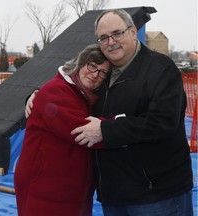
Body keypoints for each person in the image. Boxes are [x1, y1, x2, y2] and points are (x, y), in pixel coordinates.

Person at [26, 8, 194, 216]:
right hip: (113, 195)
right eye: (103, 37)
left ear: (133, 31)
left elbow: (162, 122)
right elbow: (71, 98)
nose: (111, 42)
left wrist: (106, 130)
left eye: (117, 33)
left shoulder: (160, 69)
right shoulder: (100, 77)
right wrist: (36, 96)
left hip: (156, 194)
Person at [14, 44, 110, 216]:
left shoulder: (84, 96)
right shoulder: (56, 90)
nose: (95, 74)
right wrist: (121, 125)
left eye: (102, 72)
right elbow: (81, 131)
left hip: (66, 189)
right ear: (80, 63)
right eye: (92, 66)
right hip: (45, 188)